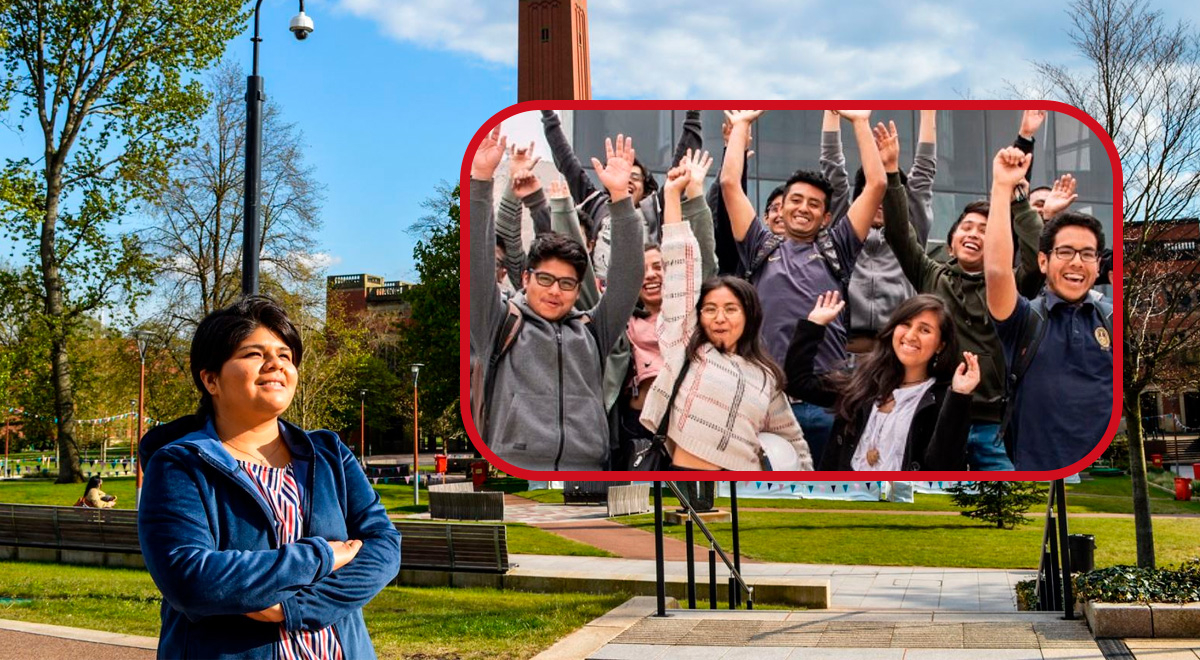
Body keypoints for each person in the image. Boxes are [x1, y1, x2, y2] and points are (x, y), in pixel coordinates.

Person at [137, 295, 401, 659]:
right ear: (211, 379)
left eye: (285, 355)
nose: (276, 364)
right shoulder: (180, 464)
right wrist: (321, 556)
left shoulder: (329, 454)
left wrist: (293, 610)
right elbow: (191, 577)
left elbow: (383, 547)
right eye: (254, 354)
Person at [470, 126, 644, 470]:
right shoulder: (499, 322)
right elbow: (477, 266)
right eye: (545, 279)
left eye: (566, 284)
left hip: (590, 468)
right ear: (525, 278)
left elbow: (628, 276)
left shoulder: (593, 331)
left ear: (579, 291)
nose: (554, 291)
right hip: (516, 467)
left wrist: (621, 199)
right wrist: (480, 180)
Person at [721, 109, 886, 466]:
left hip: (824, 401)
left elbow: (876, 185)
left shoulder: (837, 247)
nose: (803, 209)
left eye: (814, 204)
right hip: (764, 400)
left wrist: (859, 123)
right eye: (795, 200)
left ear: (826, 217)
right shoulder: (760, 246)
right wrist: (741, 126)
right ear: (780, 207)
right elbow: (729, 185)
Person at [879, 121, 1044, 471]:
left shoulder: (1009, 288)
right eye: (966, 227)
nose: (974, 234)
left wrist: (1017, 201)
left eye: (985, 230)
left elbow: (1036, 260)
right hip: (938, 413)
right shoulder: (931, 275)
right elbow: (898, 233)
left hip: (993, 425)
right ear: (952, 240)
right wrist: (892, 172)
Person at [640, 161, 813, 472]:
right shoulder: (687, 347)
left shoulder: (766, 376)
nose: (719, 318)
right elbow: (680, 266)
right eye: (710, 309)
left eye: (731, 309)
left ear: (749, 317)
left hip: (743, 486)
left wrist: (805, 485)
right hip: (683, 480)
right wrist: (672, 197)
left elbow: (794, 440)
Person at [984, 146, 1114, 471]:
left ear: (1098, 266)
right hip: (1036, 468)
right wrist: (1001, 189)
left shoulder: (1112, 318)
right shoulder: (1025, 318)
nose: (1076, 262)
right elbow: (998, 271)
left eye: (1087, 254)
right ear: (1043, 261)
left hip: (1097, 473)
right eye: (1065, 251)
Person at [786, 292, 979, 471]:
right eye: (905, 324)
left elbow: (944, 468)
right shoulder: (864, 381)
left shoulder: (944, 398)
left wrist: (959, 397)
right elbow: (799, 383)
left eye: (924, 330)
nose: (911, 335)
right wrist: (813, 326)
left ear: (940, 345)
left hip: (904, 505)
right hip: (846, 500)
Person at [821, 110, 937, 355]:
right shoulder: (844, 228)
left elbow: (924, 175)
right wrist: (831, 110)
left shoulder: (909, 233)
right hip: (843, 348)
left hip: (895, 351)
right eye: (874, 193)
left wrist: (929, 112)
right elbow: (832, 168)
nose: (881, 202)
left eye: (888, 196)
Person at [541, 109, 702, 282]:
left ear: (645, 187)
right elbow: (568, 163)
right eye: (623, 177)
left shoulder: (657, 207)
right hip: (601, 295)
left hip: (644, 292)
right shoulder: (596, 204)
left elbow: (680, 164)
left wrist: (693, 116)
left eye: (635, 178)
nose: (627, 181)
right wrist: (549, 115)